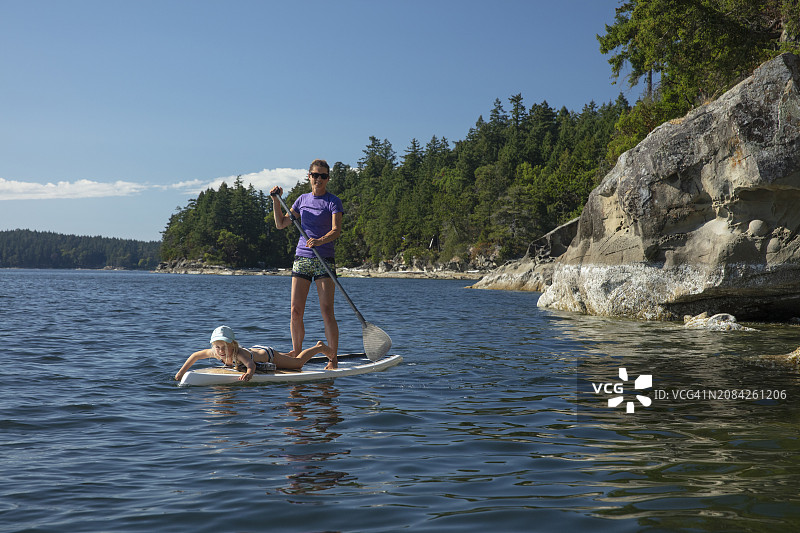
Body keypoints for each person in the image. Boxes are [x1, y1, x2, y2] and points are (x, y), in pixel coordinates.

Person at [271, 159, 343, 369]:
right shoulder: (301, 200)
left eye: (323, 176)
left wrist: (320, 241)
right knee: (295, 310)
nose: (318, 179)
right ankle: (296, 353)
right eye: (315, 175)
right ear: (309, 177)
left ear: (327, 179)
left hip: (324, 260)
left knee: (327, 310)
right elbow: (281, 224)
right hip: (302, 258)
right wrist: (277, 200)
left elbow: (336, 230)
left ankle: (333, 357)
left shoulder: (333, 201)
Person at [174, 325, 334, 382]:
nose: (221, 351)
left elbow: (250, 365)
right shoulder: (215, 352)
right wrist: (181, 372)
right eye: (217, 347)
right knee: (289, 359)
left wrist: (250, 374)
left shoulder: (238, 353)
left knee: (298, 364)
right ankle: (288, 355)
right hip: (256, 351)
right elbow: (194, 355)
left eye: (224, 347)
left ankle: (319, 347)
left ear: (233, 345)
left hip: (267, 354)